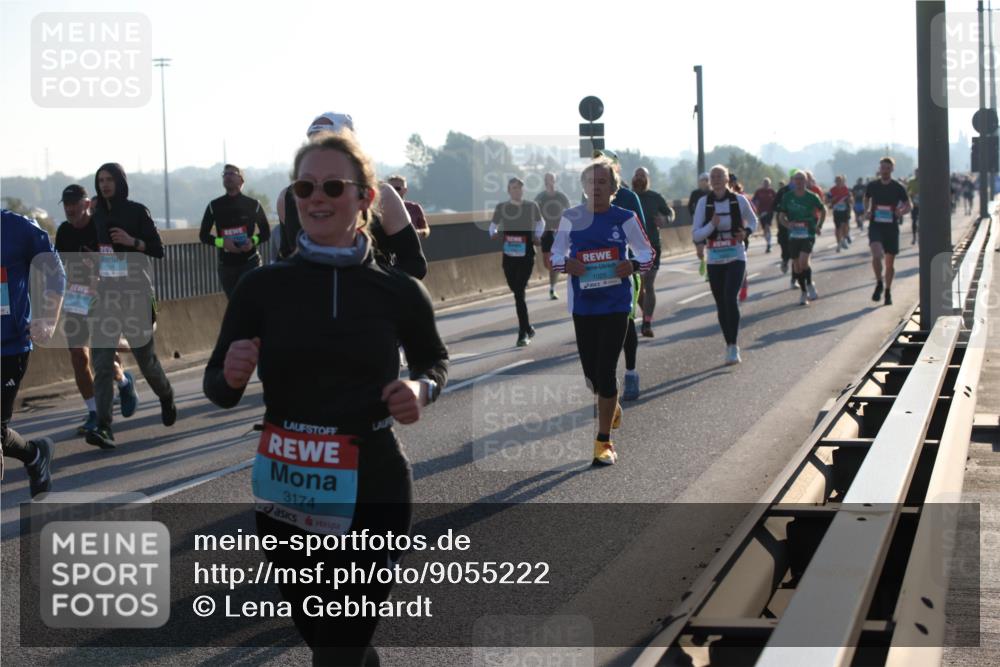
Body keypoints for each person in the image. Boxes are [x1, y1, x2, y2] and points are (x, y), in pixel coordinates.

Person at [203, 130, 448, 666]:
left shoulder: (398, 289)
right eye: (305, 186)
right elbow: (216, 388)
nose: (317, 197)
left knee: (339, 648)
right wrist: (233, 375)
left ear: (365, 199)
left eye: (333, 186)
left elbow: (435, 360)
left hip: (375, 484)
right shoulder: (262, 288)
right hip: (289, 489)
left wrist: (420, 388)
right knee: (331, 642)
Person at [549, 158, 654, 465]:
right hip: (584, 305)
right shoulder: (571, 218)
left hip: (616, 303)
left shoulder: (625, 217)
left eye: (603, 183)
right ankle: (612, 403)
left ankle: (603, 441)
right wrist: (567, 264)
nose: (596, 188)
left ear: (613, 188)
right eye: (591, 183)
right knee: (592, 378)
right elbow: (555, 255)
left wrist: (632, 265)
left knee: (606, 371)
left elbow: (648, 253)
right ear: (583, 187)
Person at [86, 163, 177, 449]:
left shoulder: (138, 211)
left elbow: (158, 249)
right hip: (107, 296)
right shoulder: (97, 213)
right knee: (101, 364)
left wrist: (131, 241)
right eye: (100, 180)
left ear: (120, 181)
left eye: (109, 179)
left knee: (145, 361)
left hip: (136, 294)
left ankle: (166, 395)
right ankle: (103, 426)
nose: (104, 184)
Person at [277, 113, 427, 279]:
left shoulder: (384, 194)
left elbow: (414, 264)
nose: (316, 198)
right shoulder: (288, 196)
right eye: (313, 141)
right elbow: (285, 257)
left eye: (328, 141)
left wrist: (372, 292)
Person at [54, 184, 135, 435]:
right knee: (79, 356)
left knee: (103, 356)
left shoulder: (101, 227)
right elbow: (60, 268)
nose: (70, 209)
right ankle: (93, 412)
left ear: (87, 204)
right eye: (66, 204)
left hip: (103, 296)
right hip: (77, 297)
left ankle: (123, 382)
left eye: (75, 204)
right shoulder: (64, 232)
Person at [2, 209, 64, 496]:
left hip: (10, 346)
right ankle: (35, 455)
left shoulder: (17, 227)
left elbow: (56, 274)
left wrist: (49, 318)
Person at [692, 165, 758, 365]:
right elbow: (696, 234)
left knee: (730, 298)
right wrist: (712, 224)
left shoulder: (738, 200)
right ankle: (728, 342)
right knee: (721, 303)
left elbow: (753, 222)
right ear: (710, 181)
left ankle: (733, 345)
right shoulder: (704, 203)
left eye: (720, 176)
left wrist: (745, 233)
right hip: (714, 258)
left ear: (728, 179)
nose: (717, 179)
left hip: (735, 255)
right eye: (714, 176)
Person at [199, 164, 271, 299]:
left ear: (241, 180)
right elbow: (203, 236)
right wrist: (223, 243)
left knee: (250, 301)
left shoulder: (253, 205)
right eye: (225, 174)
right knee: (236, 306)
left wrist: (252, 241)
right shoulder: (214, 206)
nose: (227, 177)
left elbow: (266, 232)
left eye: (232, 173)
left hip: (250, 262)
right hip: (226, 267)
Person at [489, 178, 544, 347]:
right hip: (509, 255)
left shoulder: (531, 206)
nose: (517, 191)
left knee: (519, 292)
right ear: (509, 190)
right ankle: (528, 327)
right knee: (515, 289)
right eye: (513, 188)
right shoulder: (502, 207)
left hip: (526, 254)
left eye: (519, 188)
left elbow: (541, 222)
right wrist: (494, 233)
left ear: (523, 190)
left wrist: (537, 236)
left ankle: (522, 333)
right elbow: (493, 225)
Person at [631, 167, 673, 338]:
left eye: (643, 176)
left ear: (648, 179)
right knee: (637, 287)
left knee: (648, 283)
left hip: (652, 246)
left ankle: (647, 322)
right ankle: (645, 311)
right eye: (637, 175)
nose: (639, 178)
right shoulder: (626, 197)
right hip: (632, 247)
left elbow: (670, 213)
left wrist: (666, 219)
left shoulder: (655, 197)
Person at [863, 157, 910, 306]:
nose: (884, 171)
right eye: (883, 168)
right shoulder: (873, 185)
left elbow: (909, 205)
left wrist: (900, 212)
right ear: (880, 169)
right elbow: (866, 198)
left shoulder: (898, 187)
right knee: (876, 254)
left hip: (891, 226)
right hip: (876, 224)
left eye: (887, 168)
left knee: (890, 263)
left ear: (892, 170)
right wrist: (867, 210)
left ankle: (888, 290)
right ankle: (879, 282)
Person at [776, 171, 826, 306]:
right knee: (797, 266)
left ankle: (809, 286)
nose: (798, 182)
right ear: (792, 181)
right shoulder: (787, 197)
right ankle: (804, 292)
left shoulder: (812, 196)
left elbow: (823, 210)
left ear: (806, 181)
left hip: (808, 233)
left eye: (801, 179)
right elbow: (781, 216)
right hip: (793, 235)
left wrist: (818, 226)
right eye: (796, 179)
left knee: (804, 261)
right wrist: (787, 224)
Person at [534, 172, 571, 300]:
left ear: (555, 181)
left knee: (553, 259)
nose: (548, 182)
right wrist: (537, 231)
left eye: (551, 180)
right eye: (546, 180)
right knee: (547, 262)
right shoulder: (540, 197)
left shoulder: (561, 197)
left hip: (559, 231)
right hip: (546, 232)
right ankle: (554, 275)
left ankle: (552, 288)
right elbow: (533, 214)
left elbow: (570, 213)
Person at [689, 173, 711, 279]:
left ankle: (709, 272)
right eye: (702, 180)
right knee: (700, 251)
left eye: (707, 180)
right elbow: (690, 206)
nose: (705, 182)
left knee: (711, 250)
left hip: (710, 225)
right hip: (699, 226)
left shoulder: (712, 193)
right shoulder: (695, 193)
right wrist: (694, 215)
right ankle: (703, 261)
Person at [828, 175, 853, 252]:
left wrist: (849, 200)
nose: (838, 182)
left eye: (840, 181)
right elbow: (827, 200)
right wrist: (832, 200)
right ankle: (839, 243)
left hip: (845, 210)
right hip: (837, 211)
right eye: (837, 181)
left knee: (845, 226)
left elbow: (851, 199)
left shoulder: (846, 189)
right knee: (838, 227)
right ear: (835, 182)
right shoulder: (832, 190)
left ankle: (844, 238)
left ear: (843, 181)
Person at [751, 178, 777, 254]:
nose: (766, 184)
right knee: (765, 229)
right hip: (761, 212)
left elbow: (776, 200)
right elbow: (753, 201)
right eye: (765, 183)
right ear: (763, 184)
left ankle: (769, 245)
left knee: (767, 226)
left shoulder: (771, 191)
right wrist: (755, 208)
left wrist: (775, 208)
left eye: (767, 183)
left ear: (769, 184)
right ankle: (768, 242)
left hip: (769, 212)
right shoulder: (759, 191)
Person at [907, 168, 920, 245]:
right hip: (914, 204)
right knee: (914, 221)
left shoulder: (925, 181)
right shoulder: (911, 182)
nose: (917, 174)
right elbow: (907, 192)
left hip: (924, 206)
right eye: (916, 173)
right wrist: (911, 194)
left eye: (918, 173)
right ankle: (914, 237)